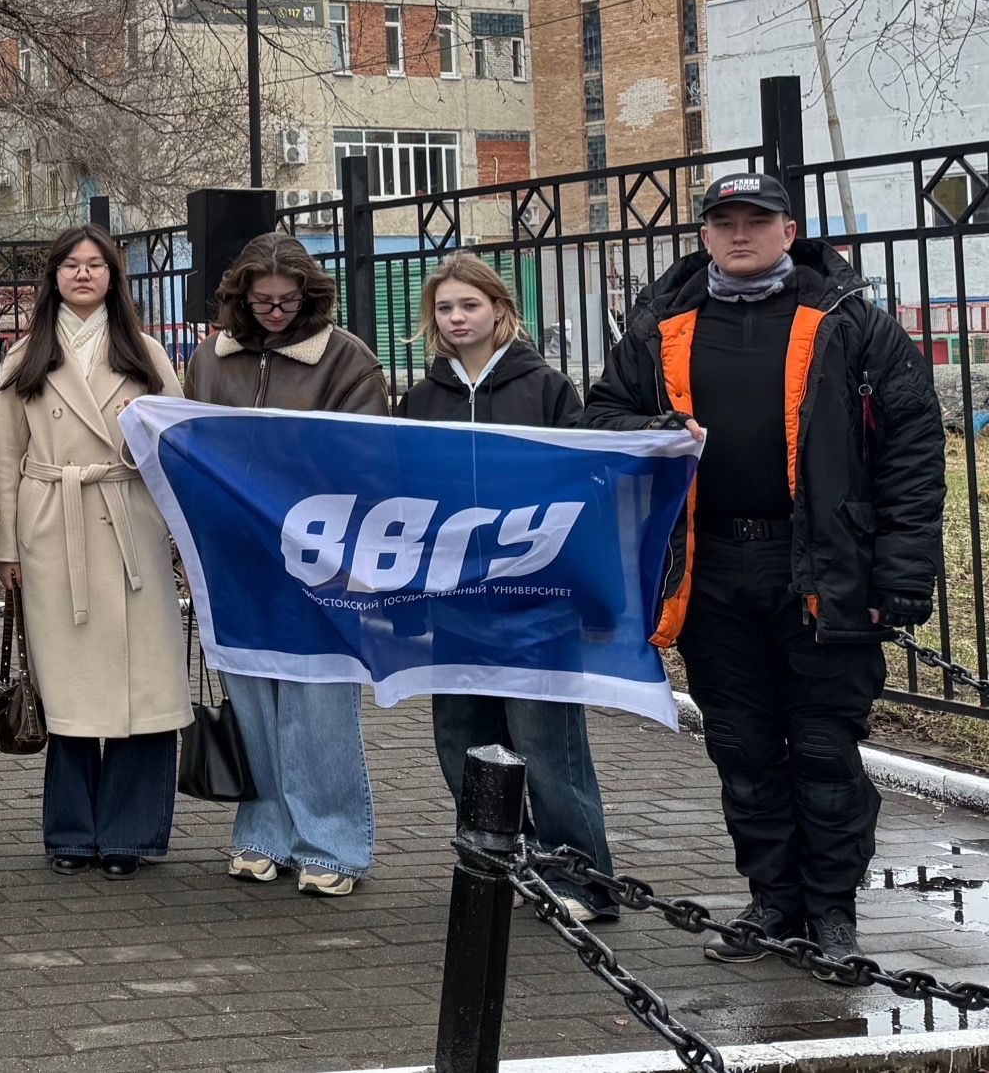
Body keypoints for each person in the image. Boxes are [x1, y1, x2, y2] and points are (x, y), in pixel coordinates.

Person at [585, 172, 943, 966]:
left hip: (824, 566)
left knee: (823, 748)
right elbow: (600, 415)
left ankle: (833, 911)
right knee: (742, 748)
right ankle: (773, 901)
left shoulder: (849, 320)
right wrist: (656, 426)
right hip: (710, 568)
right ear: (705, 236)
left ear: (789, 230)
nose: (740, 233)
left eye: (757, 219)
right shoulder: (662, 324)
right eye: (725, 222)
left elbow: (913, 448)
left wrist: (901, 577)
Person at [396, 253, 618, 923]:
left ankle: (581, 879)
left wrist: (593, 596)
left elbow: (585, 494)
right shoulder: (421, 401)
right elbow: (400, 502)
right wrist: (405, 602)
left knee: (547, 745)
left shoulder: (546, 389)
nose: (456, 318)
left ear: (499, 308)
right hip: (453, 603)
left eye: (469, 305)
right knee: (463, 740)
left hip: (537, 604)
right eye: (444, 308)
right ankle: (502, 860)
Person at [182, 232, 387, 898]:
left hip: (319, 554)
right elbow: (189, 443)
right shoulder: (209, 358)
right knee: (251, 696)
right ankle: (263, 832)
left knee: (319, 699)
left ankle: (331, 841)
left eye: (287, 300)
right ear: (239, 296)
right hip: (237, 552)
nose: (274, 311)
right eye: (262, 301)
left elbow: (366, 459)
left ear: (310, 295)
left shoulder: (347, 358)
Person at [0, 227, 188, 879]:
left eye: (95, 264)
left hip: (131, 523)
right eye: (71, 264)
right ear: (54, 276)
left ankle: (131, 833)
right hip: (54, 527)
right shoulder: (25, 355)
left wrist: (184, 540)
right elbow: (6, 458)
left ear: (112, 276)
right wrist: (7, 548)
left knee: (145, 686)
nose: (82, 274)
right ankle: (71, 831)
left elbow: (178, 446)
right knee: (66, 687)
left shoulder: (145, 352)